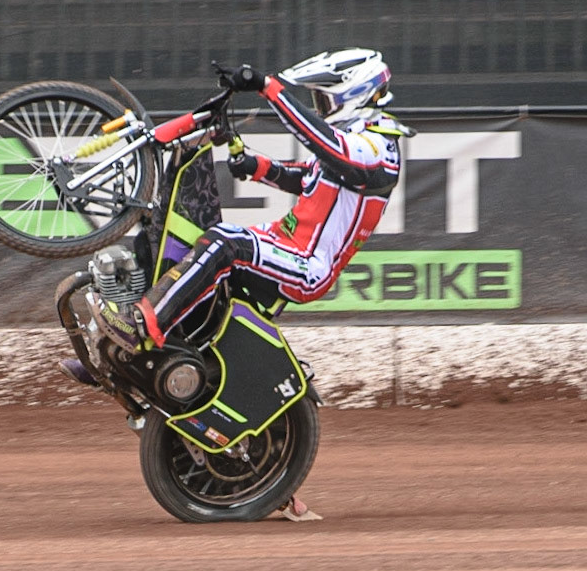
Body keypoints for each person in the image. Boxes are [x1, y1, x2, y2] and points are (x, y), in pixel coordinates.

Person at [71, 48, 412, 372]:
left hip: (308, 266)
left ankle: (142, 326)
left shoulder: (378, 147)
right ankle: (115, 358)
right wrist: (256, 166)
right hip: (283, 242)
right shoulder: (354, 141)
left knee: (225, 242)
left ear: (355, 94)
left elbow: (323, 144)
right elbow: (309, 176)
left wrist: (268, 88)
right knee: (181, 244)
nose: (319, 108)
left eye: (323, 100)